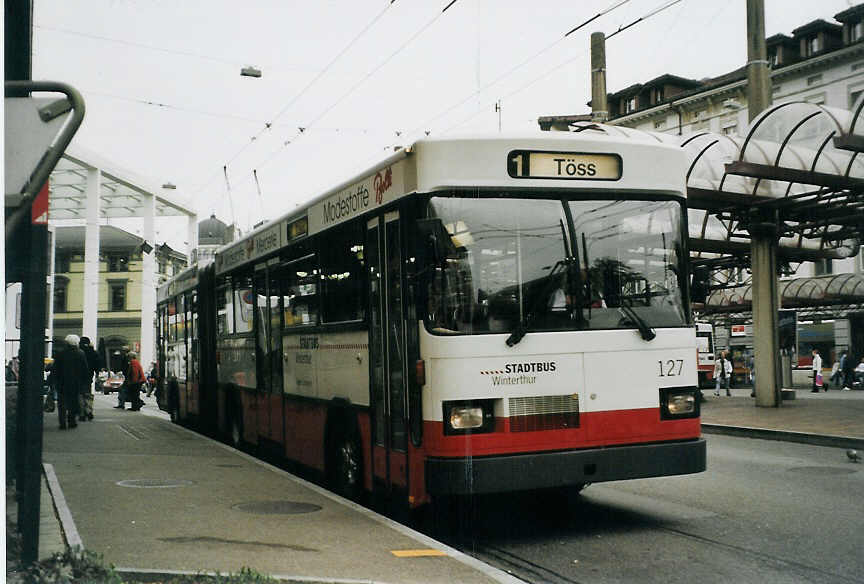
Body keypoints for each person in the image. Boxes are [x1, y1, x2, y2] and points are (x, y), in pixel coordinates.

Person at [53, 334, 89, 429]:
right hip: (75, 383)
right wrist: (84, 381)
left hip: (62, 382)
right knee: (73, 402)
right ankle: (72, 421)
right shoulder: (81, 353)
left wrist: (54, 381)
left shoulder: (60, 353)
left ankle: (62, 423)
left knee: (62, 403)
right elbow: (85, 369)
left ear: (67, 342)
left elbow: (55, 369)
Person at [78, 336, 101, 421]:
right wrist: (97, 374)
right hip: (89, 376)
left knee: (80, 394)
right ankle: (89, 410)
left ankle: (82, 413)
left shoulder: (79, 351)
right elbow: (98, 364)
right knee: (87, 394)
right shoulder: (93, 352)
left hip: (79, 376)